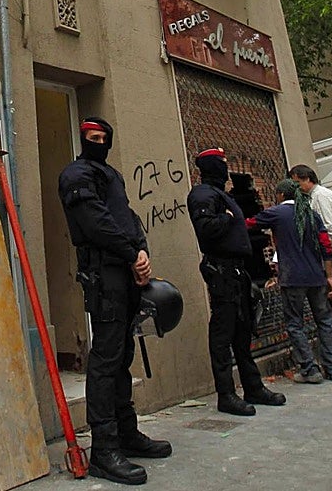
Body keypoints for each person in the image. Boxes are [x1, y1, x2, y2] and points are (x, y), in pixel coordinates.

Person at [58, 117, 171, 486]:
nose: (98, 142)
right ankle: (104, 451)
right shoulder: (76, 174)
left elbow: (129, 218)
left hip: (125, 273)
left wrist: (142, 252)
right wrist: (131, 253)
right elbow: (96, 222)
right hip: (104, 275)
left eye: (103, 137)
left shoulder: (113, 176)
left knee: (123, 355)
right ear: (83, 140)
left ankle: (126, 434)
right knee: (106, 361)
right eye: (92, 137)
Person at [186, 148, 286, 416]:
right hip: (222, 270)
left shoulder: (220, 195)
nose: (225, 167)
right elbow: (206, 229)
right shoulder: (203, 194)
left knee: (242, 332)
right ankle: (226, 394)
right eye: (221, 162)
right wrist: (227, 217)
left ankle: (253, 387)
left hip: (237, 271)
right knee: (223, 332)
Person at [246, 179, 332, 382]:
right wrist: (329, 276)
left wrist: (231, 218)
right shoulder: (311, 214)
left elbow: (250, 224)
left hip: (292, 278)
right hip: (316, 276)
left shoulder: (277, 213)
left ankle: (310, 369)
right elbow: (326, 246)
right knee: (325, 321)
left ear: (281, 195)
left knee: (294, 324)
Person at [290, 164, 332, 376]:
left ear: (306, 179)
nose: (297, 188)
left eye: (297, 183)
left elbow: (329, 229)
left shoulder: (320, 197)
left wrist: (317, 252)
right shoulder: (321, 196)